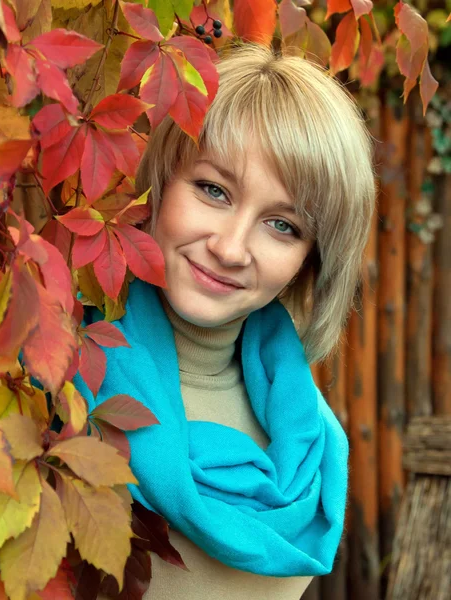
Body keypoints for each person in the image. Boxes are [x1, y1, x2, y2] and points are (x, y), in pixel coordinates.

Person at [75, 43, 375, 599]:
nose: (231, 248)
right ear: (164, 179)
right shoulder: (59, 369)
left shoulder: (313, 448)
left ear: (311, 259)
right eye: (213, 190)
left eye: (282, 225)